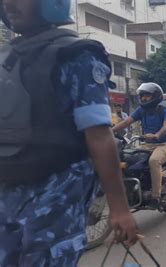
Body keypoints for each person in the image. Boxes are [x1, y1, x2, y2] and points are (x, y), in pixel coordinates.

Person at [0, 0, 138, 265]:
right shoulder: (7, 55)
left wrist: (119, 208)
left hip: (54, 197)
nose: (10, 4)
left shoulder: (77, 56)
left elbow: (98, 135)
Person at [113, 83, 166, 207]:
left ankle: (156, 197)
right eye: (142, 96)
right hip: (146, 144)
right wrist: (110, 131)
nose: (144, 99)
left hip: (164, 144)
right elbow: (126, 122)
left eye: (147, 96)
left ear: (156, 97)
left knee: (154, 161)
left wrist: (157, 135)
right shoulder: (141, 110)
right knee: (128, 158)